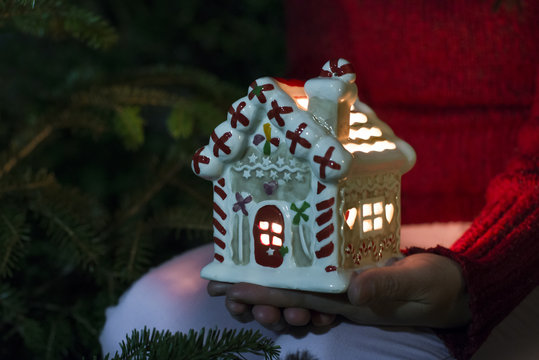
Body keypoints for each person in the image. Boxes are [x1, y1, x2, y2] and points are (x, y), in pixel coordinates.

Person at [100, 1, 538, 359]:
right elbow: (322, 84)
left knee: (335, 350)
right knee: (148, 315)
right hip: (370, 229)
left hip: (510, 237)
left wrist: (481, 274)